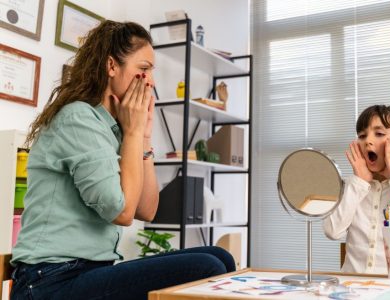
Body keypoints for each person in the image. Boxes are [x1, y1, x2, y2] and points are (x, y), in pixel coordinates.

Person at [10, 20, 234, 300]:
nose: (150, 80)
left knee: (219, 256)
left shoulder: (113, 128)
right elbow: (123, 213)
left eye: (151, 71)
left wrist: (145, 137)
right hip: (49, 281)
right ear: (111, 66)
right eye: (143, 69)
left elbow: (146, 210)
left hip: (89, 271)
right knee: (207, 267)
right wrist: (134, 131)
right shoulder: (77, 118)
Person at [323, 105, 390, 274]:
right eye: (362, 135)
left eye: (379, 134)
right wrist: (359, 182)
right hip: (351, 288)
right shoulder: (352, 187)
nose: (368, 140)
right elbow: (332, 231)